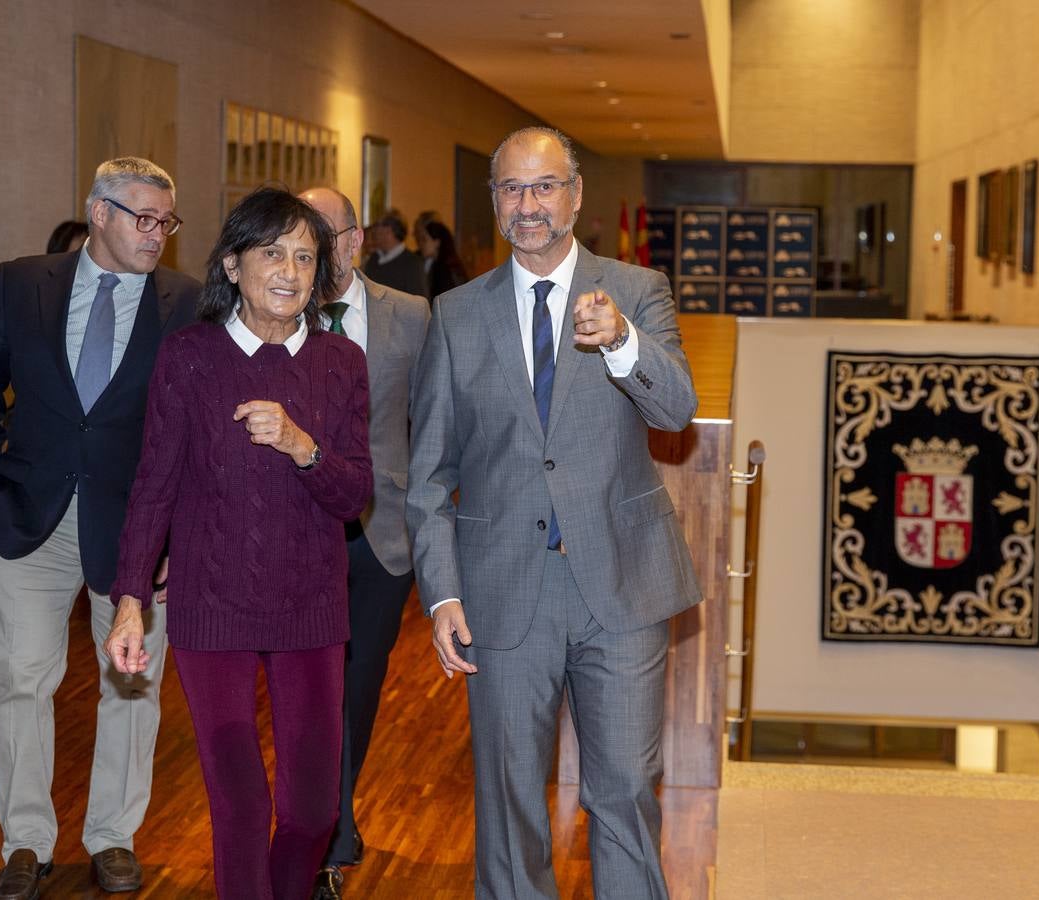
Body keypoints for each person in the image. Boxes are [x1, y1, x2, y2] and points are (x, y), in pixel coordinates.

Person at [407, 126, 701, 898]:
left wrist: (623, 345)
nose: (528, 205)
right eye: (511, 189)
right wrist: (441, 593)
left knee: (625, 793)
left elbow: (675, 412)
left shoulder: (635, 291)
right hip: (502, 593)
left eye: (543, 187)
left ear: (574, 195)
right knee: (508, 804)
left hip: (622, 586)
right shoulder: (457, 315)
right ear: (495, 203)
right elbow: (430, 475)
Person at [103, 186, 373, 900]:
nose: (288, 271)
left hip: (311, 607)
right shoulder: (189, 358)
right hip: (211, 605)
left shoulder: (341, 363)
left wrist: (301, 444)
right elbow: (153, 486)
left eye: (305, 257)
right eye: (271, 253)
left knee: (312, 810)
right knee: (240, 807)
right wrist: (130, 599)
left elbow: (352, 497)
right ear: (230, 265)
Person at [0, 158, 199, 899]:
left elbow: (193, 435)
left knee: (132, 684)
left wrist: (173, 540)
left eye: (167, 221)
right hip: (27, 517)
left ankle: (112, 835)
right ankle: (25, 840)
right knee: (19, 679)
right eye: (142, 218)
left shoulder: (185, 302)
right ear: (98, 212)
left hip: (135, 532)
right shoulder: (22, 282)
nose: (157, 235)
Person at [297, 187, 430, 900]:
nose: (314, 247)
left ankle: (331, 816)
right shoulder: (275, 311)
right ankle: (325, 831)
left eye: (326, 233)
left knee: (358, 685)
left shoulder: (410, 316)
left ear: (354, 241)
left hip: (382, 535)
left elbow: (434, 420)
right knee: (309, 686)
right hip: (300, 531)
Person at [361, 209, 426, 297]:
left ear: (389, 230)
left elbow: (420, 304)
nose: (373, 231)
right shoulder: (373, 259)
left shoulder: (412, 263)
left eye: (376, 226)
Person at [418, 219, 468, 301]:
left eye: (425, 240)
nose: (421, 244)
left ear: (437, 242)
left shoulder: (446, 269)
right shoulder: (436, 265)